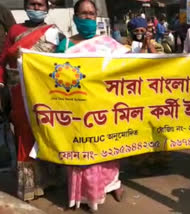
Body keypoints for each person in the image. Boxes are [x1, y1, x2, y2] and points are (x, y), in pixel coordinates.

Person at [56, 0, 125, 211]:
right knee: (83, 155)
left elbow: (127, 71)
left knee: (108, 152)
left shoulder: (109, 44)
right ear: (75, 17)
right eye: (83, 14)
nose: (88, 18)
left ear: (96, 17)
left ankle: (112, 185)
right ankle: (86, 195)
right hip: (78, 112)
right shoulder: (65, 46)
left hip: (105, 110)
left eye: (91, 14)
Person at [0, 0, 64, 201]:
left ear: (47, 8)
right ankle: (30, 186)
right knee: (24, 135)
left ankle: (51, 179)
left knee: (47, 132)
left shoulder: (55, 33)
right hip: (19, 91)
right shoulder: (15, 30)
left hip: (47, 92)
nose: (36, 8)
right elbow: (3, 59)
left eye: (40, 5)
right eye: (32, 4)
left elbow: (65, 60)